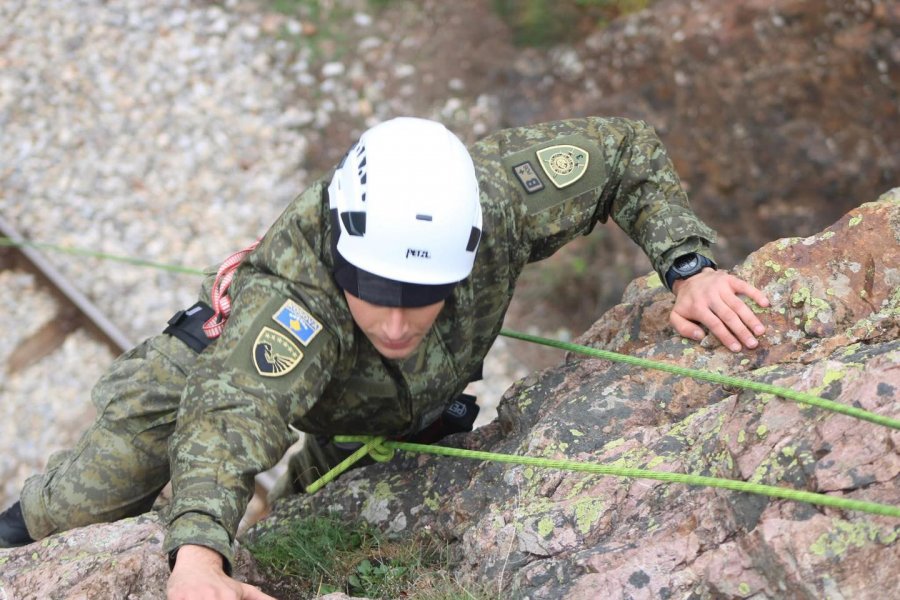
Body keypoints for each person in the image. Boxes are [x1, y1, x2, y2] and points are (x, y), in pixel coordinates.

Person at [0, 116, 769, 599]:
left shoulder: (496, 202)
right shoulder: (296, 298)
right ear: (343, 253)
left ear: (466, 253)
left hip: (383, 402)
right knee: (91, 493)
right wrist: (199, 552)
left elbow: (625, 150)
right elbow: (229, 414)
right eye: (377, 289)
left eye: (422, 293)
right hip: (220, 367)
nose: (398, 321)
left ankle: (294, 509)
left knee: (322, 494)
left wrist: (688, 268)